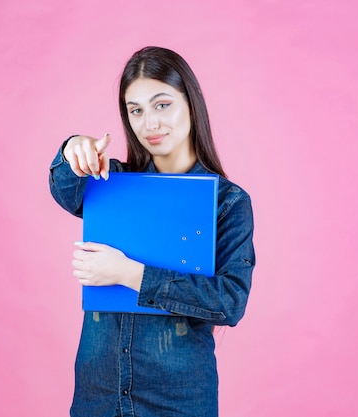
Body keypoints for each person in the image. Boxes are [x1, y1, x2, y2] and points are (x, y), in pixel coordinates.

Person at [49, 46, 255, 417]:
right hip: (99, 396)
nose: (150, 124)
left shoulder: (227, 201)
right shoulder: (109, 181)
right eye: (136, 110)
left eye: (162, 105)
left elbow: (229, 302)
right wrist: (72, 150)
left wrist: (129, 274)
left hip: (177, 401)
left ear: (190, 104)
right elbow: (66, 189)